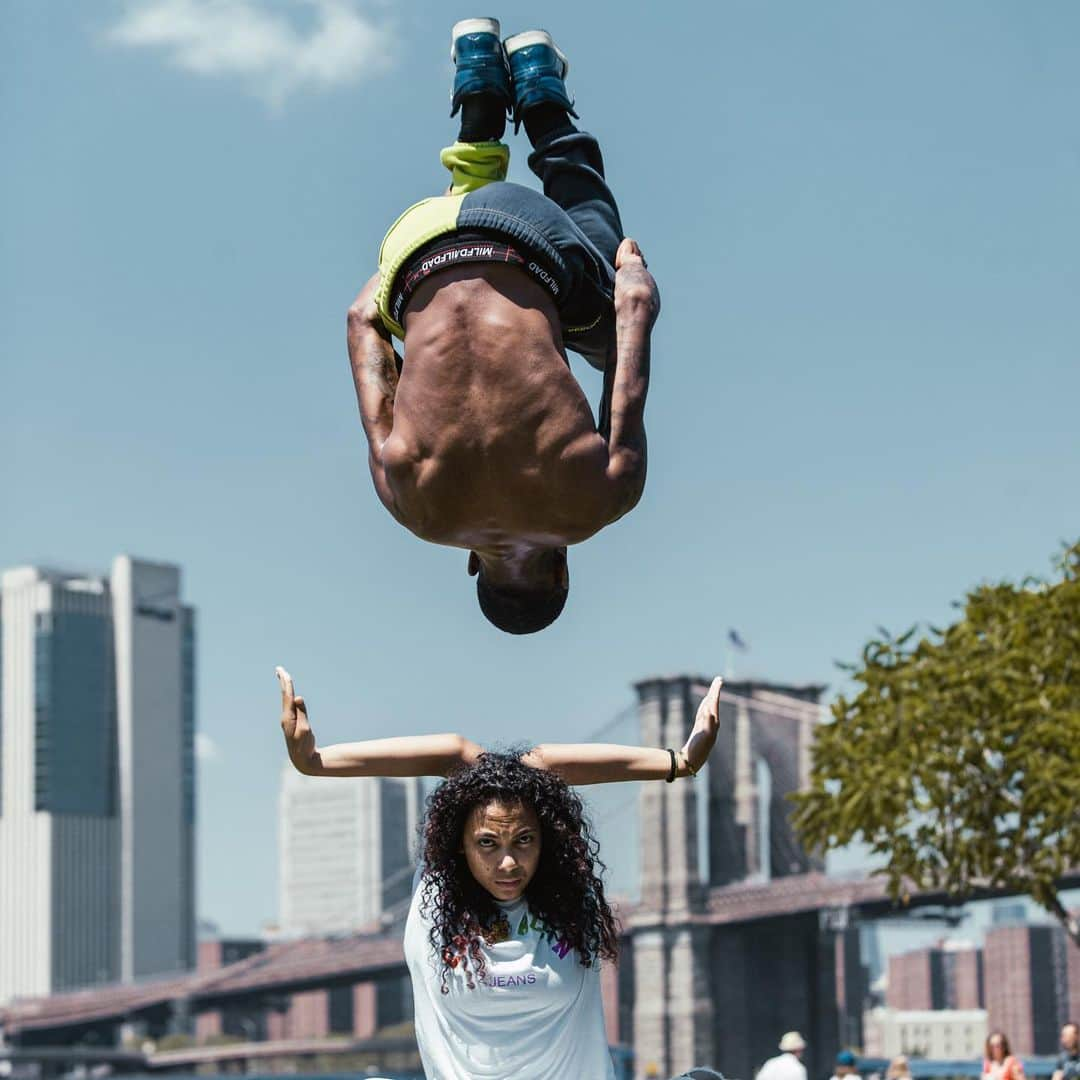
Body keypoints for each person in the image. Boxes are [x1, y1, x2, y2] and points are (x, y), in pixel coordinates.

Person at [348, 18, 660, 634]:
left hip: (527, 234)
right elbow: (362, 320)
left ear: (562, 570)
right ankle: (480, 98)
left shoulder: (600, 502)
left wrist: (634, 288)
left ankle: (544, 96)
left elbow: (631, 336)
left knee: (598, 325)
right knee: (458, 269)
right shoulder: (409, 509)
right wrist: (394, 272)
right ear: (473, 565)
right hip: (416, 239)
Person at [275, 666, 722, 1079]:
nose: (508, 862)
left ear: (546, 840)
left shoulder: (568, 897)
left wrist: (681, 761)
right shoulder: (437, 898)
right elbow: (458, 753)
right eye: (487, 843)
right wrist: (313, 761)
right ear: (458, 847)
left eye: (524, 840)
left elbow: (539, 767)